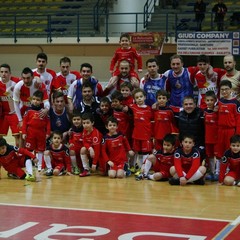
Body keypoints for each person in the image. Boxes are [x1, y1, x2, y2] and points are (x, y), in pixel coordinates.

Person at [21, 90, 50, 171]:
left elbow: (48, 123)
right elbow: (24, 123)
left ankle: (40, 167)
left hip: (41, 133)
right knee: (29, 150)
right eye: (33, 99)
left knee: (40, 150)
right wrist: (24, 132)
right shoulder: (28, 110)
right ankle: (29, 167)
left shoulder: (43, 111)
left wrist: (47, 133)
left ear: (41, 101)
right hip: (30, 133)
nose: (35, 101)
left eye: (37, 100)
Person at [128, 88, 153, 174]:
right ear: (134, 99)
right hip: (136, 135)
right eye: (137, 97)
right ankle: (134, 167)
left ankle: (144, 170)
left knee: (145, 152)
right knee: (136, 152)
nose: (139, 99)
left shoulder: (150, 109)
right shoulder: (133, 107)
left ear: (145, 97)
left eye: (141, 97)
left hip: (146, 135)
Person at [216, 80, 240, 160]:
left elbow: (238, 120)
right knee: (219, 150)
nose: (224, 91)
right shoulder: (219, 102)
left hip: (230, 131)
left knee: (229, 151)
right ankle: (218, 171)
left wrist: (237, 134)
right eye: (222, 89)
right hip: (220, 130)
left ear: (230, 90)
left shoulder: (236, 103)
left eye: (226, 89)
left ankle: (228, 170)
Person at [0, 63, 20, 146]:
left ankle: (19, 155)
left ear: (10, 73)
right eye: (1, 72)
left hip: (14, 113)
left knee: (17, 136)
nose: (3, 74)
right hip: (3, 115)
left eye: (6, 72)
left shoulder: (17, 82)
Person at [79, 112, 102, 177]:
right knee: (83, 149)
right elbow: (84, 141)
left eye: (87, 123)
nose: (85, 125)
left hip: (100, 152)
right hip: (93, 150)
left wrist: (94, 163)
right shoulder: (85, 130)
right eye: (84, 123)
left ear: (92, 123)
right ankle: (86, 169)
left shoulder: (95, 134)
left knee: (103, 173)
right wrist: (90, 148)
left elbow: (98, 150)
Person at [203, 91, 219, 181]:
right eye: (207, 100)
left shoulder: (218, 111)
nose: (209, 102)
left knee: (218, 155)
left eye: (211, 100)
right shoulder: (204, 112)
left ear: (215, 100)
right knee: (210, 156)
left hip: (216, 138)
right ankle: (212, 172)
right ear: (205, 100)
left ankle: (218, 172)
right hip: (207, 138)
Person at [68, 110, 83, 175]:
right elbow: (71, 139)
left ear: (82, 120)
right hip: (75, 149)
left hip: (82, 149)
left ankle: (86, 168)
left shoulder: (84, 129)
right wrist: (70, 143)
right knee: (71, 151)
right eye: (74, 119)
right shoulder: (71, 130)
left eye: (78, 119)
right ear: (72, 120)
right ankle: (75, 167)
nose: (76, 121)